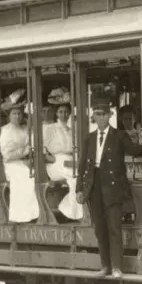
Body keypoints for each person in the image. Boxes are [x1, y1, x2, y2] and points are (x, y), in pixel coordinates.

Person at [75, 97, 133, 278]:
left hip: (113, 186)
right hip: (94, 185)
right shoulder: (89, 138)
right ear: (93, 116)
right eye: (97, 114)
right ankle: (105, 266)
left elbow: (135, 150)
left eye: (104, 114)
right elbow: (82, 165)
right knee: (99, 228)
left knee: (114, 227)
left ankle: (117, 268)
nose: (100, 118)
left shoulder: (119, 136)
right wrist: (79, 189)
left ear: (110, 115)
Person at [0, 90, 40, 223]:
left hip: (24, 162)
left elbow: (32, 143)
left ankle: (33, 214)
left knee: (35, 174)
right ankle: (20, 215)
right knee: (25, 177)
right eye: (14, 114)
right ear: (9, 116)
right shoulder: (5, 130)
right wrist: (25, 152)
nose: (17, 116)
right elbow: (7, 155)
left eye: (19, 114)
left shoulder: (25, 129)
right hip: (11, 164)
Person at [43, 88, 82, 221]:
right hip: (56, 163)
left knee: (80, 176)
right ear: (56, 113)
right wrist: (48, 158)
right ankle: (75, 213)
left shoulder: (71, 131)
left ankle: (69, 209)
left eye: (66, 112)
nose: (64, 114)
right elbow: (40, 148)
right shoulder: (50, 128)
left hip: (70, 162)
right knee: (75, 177)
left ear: (69, 113)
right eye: (61, 112)